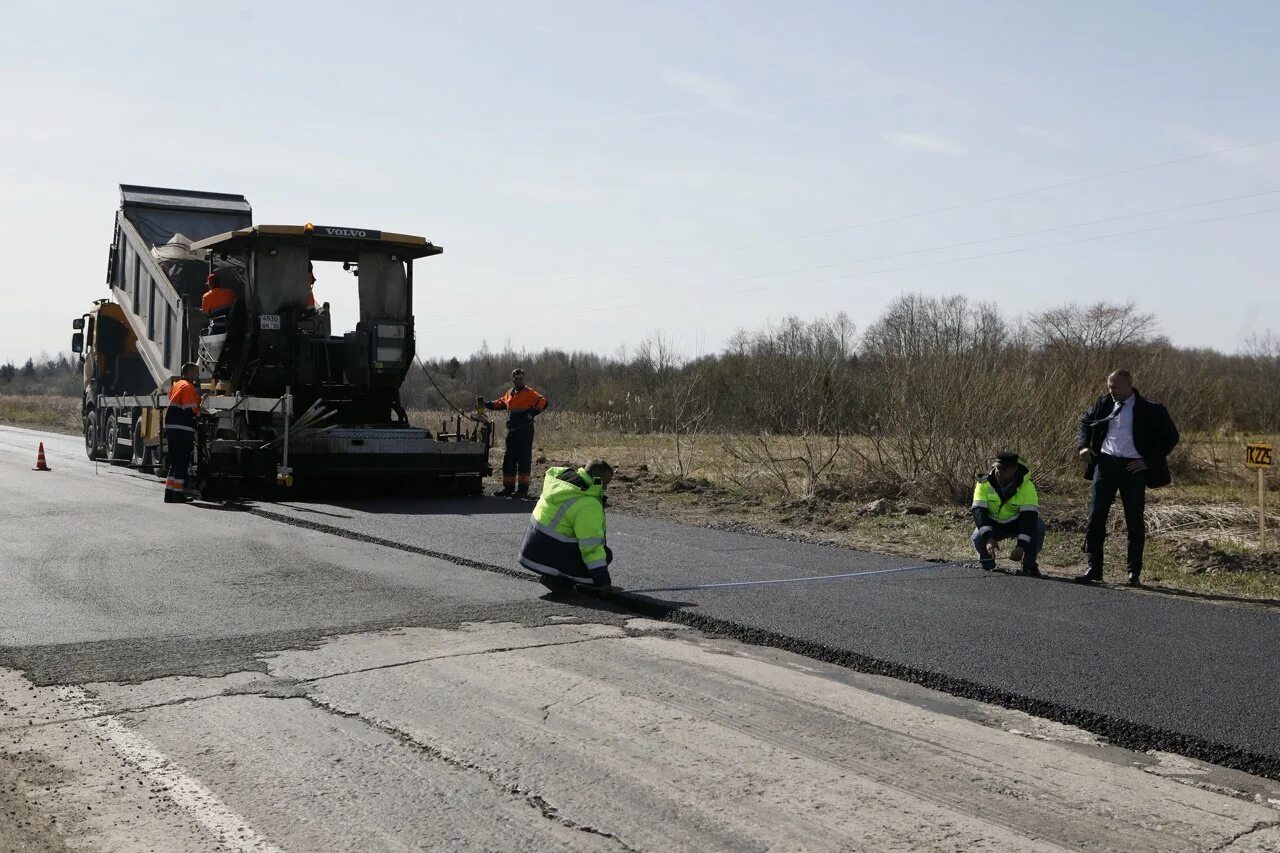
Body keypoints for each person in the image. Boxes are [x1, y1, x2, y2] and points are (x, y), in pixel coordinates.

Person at [1076, 369, 1180, 586]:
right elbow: (1085, 423)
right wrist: (1083, 446)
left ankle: (1134, 573)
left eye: (1114, 387)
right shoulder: (1103, 403)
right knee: (1096, 517)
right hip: (1105, 465)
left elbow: (1171, 437)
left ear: (1128, 386)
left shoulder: (1151, 409)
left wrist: (1148, 461)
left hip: (1133, 469)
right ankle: (1094, 568)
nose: (1110, 390)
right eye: (1108, 386)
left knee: (1134, 521)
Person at [519, 460, 615, 594]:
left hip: (530, 552)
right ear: (597, 481)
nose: (605, 489)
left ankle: (554, 577)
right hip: (547, 556)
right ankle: (560, 578)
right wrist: (603, 583)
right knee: (605, 555)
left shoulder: (563, 485)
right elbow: (591, 548)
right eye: (605, 484)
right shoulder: (588, 503)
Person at [478, 368, 549, 497]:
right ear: (513, 379)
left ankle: (522, 490)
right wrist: (486, 404)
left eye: (521, 378)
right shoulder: (510, 393)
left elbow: (543, 402)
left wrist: (532, 413)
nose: (519, 381)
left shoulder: (529, 393)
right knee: (509, 460)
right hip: (512, 432)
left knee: (523, 461)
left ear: (524, 379)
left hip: (525, 431)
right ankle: (508, 489)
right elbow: (499, 403)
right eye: (517, 379)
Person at [971, 452, 1044, 577]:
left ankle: (1029, 565)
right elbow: (979, 512)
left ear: (1014, 470)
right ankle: (987, 563)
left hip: (1017, 524)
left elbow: (1029, 517)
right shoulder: (983, 483)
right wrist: (988, 538)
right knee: (978, 536)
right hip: (994, 524)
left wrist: (1021, 546)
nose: (999, 471)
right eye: (998, 467)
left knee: (1038, 526)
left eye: (1004, 469)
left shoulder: (1027, 487)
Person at [164, 362, 202, 504]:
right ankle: (178, 494)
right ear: (190, 373)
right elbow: (190, 409)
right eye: (196, 372)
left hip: (172, 426)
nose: (198, 375)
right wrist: (199, 408)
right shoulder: (189, 387)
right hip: (183, 427)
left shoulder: (177, 384)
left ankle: (169, 493)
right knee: (181, 460)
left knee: (174, 461)